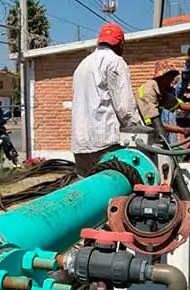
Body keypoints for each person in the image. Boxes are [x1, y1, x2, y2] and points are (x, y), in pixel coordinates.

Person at [71, 23, 143, 176]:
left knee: (89, 189)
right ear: (120, 44)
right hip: (105, 142)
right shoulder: (115, 61)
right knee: (117, 185)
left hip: (80, 145)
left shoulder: (82, 65)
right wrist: (141, 132)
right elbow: (125, 109)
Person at [136, 60, 190, 141]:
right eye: (170, 77)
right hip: (141, 133)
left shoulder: (162, 91)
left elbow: (178, 105)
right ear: (161, 77)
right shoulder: (148, 90)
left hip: (153, 132)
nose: (172, 80)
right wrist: (184, 130)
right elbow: (155, 123)